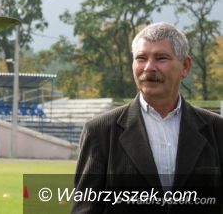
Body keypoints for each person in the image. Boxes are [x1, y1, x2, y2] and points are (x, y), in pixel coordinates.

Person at [72, 22, 223, 213]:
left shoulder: (216, 129)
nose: (149, 67)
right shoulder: (100, 131)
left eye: (161, 58)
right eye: (141, 58)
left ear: (185, 66)